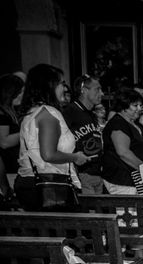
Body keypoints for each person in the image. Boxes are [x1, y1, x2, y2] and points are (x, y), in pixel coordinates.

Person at [14, 64, 90, 210]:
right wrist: (76, 157)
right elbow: (48, 154)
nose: (65, 88)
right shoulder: (48, 113)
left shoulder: (32, 112)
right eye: (61, 83)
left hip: (30, 183)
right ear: (49, 85)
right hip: (48, 186)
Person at [101, 89, 143, 195]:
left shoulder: (137, 124)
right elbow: (123, 153)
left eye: (140, 105)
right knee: (129, 211)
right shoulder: (118, 124)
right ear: (123, 106)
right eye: (135, 105)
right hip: (123, 181)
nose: (139, 108)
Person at [62, 74, 104, 194]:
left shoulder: (91, 114)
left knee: (99, 212)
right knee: (89, 212)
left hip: (97, 173)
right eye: (97, 89)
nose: (102, 93)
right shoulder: (70, 111)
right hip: (82, 174)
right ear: (84, 90)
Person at [0, 73, 25, 199]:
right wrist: (26, 132)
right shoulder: (2, 114)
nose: (22, 94)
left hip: (15, 168)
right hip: (8, 171)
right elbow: (3, 142)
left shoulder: (11, 111)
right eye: (20, 91)